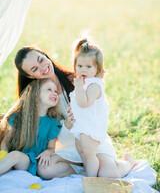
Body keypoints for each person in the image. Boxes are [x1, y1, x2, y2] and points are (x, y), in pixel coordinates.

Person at [14, 44, 137, 180]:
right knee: (45, 169)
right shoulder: (40, 98)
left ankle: (128, 163)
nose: (43, 67)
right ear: (30, 77)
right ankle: (87, 170)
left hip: (93, 139)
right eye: (35, 69)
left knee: (110, 174)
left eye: (41, 60)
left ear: (45, 55)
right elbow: (55, 136)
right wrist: (68, 124)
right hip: (69, 147)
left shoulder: (79, 79)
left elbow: (100, 111)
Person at [69, 38, 138, 177]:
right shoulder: (83, 83)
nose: (83, 69)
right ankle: (90, 171)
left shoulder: (94, 85)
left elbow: (84, 103)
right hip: (81, 127)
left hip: (91, 129)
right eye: (80, 65)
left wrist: (77, 88)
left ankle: (125, 165)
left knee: (90, 155)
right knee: (83, 152)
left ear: (97, 69)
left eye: (89, 67)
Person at [0, 79, 62, 176]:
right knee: (13, 156)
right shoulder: (18, 116)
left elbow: (51, 147)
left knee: (15, 156)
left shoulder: (53, 123)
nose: (54, 93)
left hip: (31, 161)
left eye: (56, 91)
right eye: (49, 89)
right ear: (35, 94)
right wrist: (2, 156)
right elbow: (6, 141)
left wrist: (47, 153)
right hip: (11, 158)